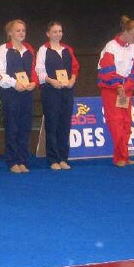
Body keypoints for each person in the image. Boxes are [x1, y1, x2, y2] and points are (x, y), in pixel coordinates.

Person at [0, 19, 38, 173]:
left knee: (25, 126)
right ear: (10, 33)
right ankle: (12, 161)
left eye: (23, 30)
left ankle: (22, 160)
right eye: (18, 30)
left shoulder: (29, 50)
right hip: (11, 93)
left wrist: (33, 83)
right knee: (12, 126)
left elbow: (34, 70)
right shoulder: (3, 49)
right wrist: (14, 83)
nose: (21, 33)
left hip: (26, 93)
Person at [97, 16, 134, 167]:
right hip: (111, 91)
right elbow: (106, 70)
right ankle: (121, 157)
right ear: (125, 32)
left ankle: (123, 156)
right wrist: (118, 85)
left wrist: (127, 86)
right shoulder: (111, 47)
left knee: (126, 123)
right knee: (116, 124)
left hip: (126, 90)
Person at [35, 21, 79, 170]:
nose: (58, 34)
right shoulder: (43, 50)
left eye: (60, 31)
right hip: (50, 91)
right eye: (54, 32)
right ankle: (53, 159)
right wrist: (51, 81)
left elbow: (75, 68)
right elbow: (39, 70)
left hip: (66, 91)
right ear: (48, 34)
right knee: (52, 124)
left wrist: (72, 80)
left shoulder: (68, 49)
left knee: (65, 125)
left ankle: (63, 158)